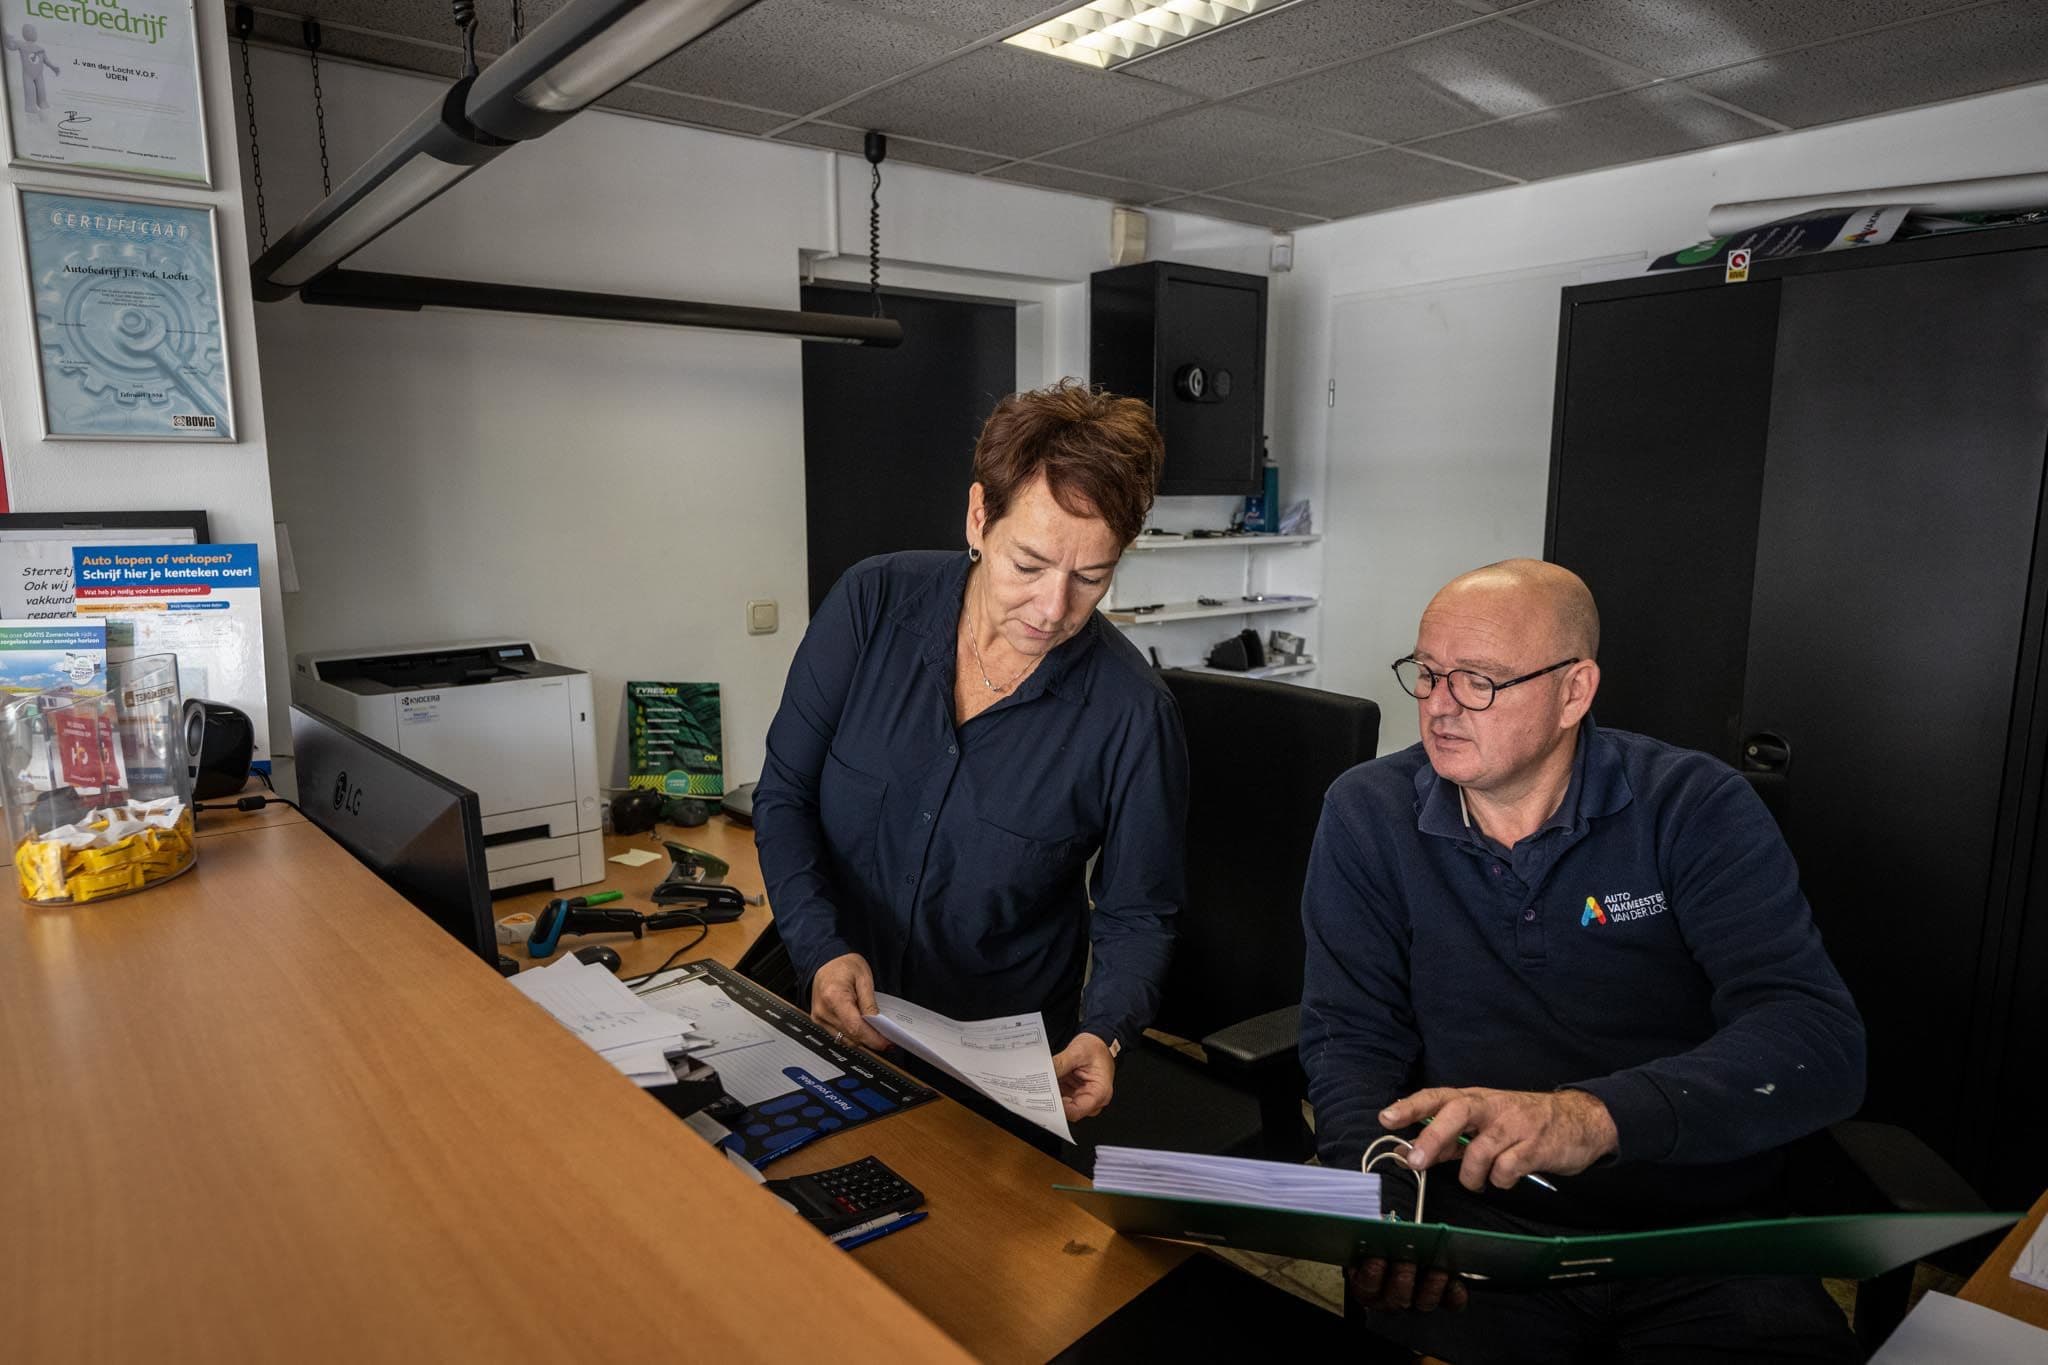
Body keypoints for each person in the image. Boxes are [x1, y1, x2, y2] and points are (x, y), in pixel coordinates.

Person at [1301, 559, 1867, 1363]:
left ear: (1574, 691)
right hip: (1480, 1227)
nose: (1439, 705)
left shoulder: (1694, 806)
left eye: (1478, 680)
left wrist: (1587, 1117)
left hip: (1696, 1233)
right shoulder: (1367, 812)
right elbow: (1351, 1037)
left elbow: (1817, 1037)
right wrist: (1388, 1208)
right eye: (1426, 673)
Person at [754, 380, 1186, 1127]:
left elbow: (1138, 913)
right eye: (1029, 564)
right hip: (834, 1022)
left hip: (999, 1076)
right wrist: (820, 949)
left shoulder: (1133, 714)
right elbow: (784, 795)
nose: (1053, 608)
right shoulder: (871, 604)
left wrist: (1104, 1031)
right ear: (979, 517)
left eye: (1091, 577)